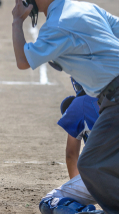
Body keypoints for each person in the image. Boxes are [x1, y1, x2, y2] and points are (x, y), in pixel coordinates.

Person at [11, 0, 119, 214]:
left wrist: (17, 21)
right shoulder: (86, 8)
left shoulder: (57, 24)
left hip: (116, 98)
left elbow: (23, 61)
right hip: (110, 98)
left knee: (91, 164)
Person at [39, 78, 103, 214]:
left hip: (102, 176)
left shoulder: (81, 103)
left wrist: (78, 187)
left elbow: (71, 154)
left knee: (49, 201)